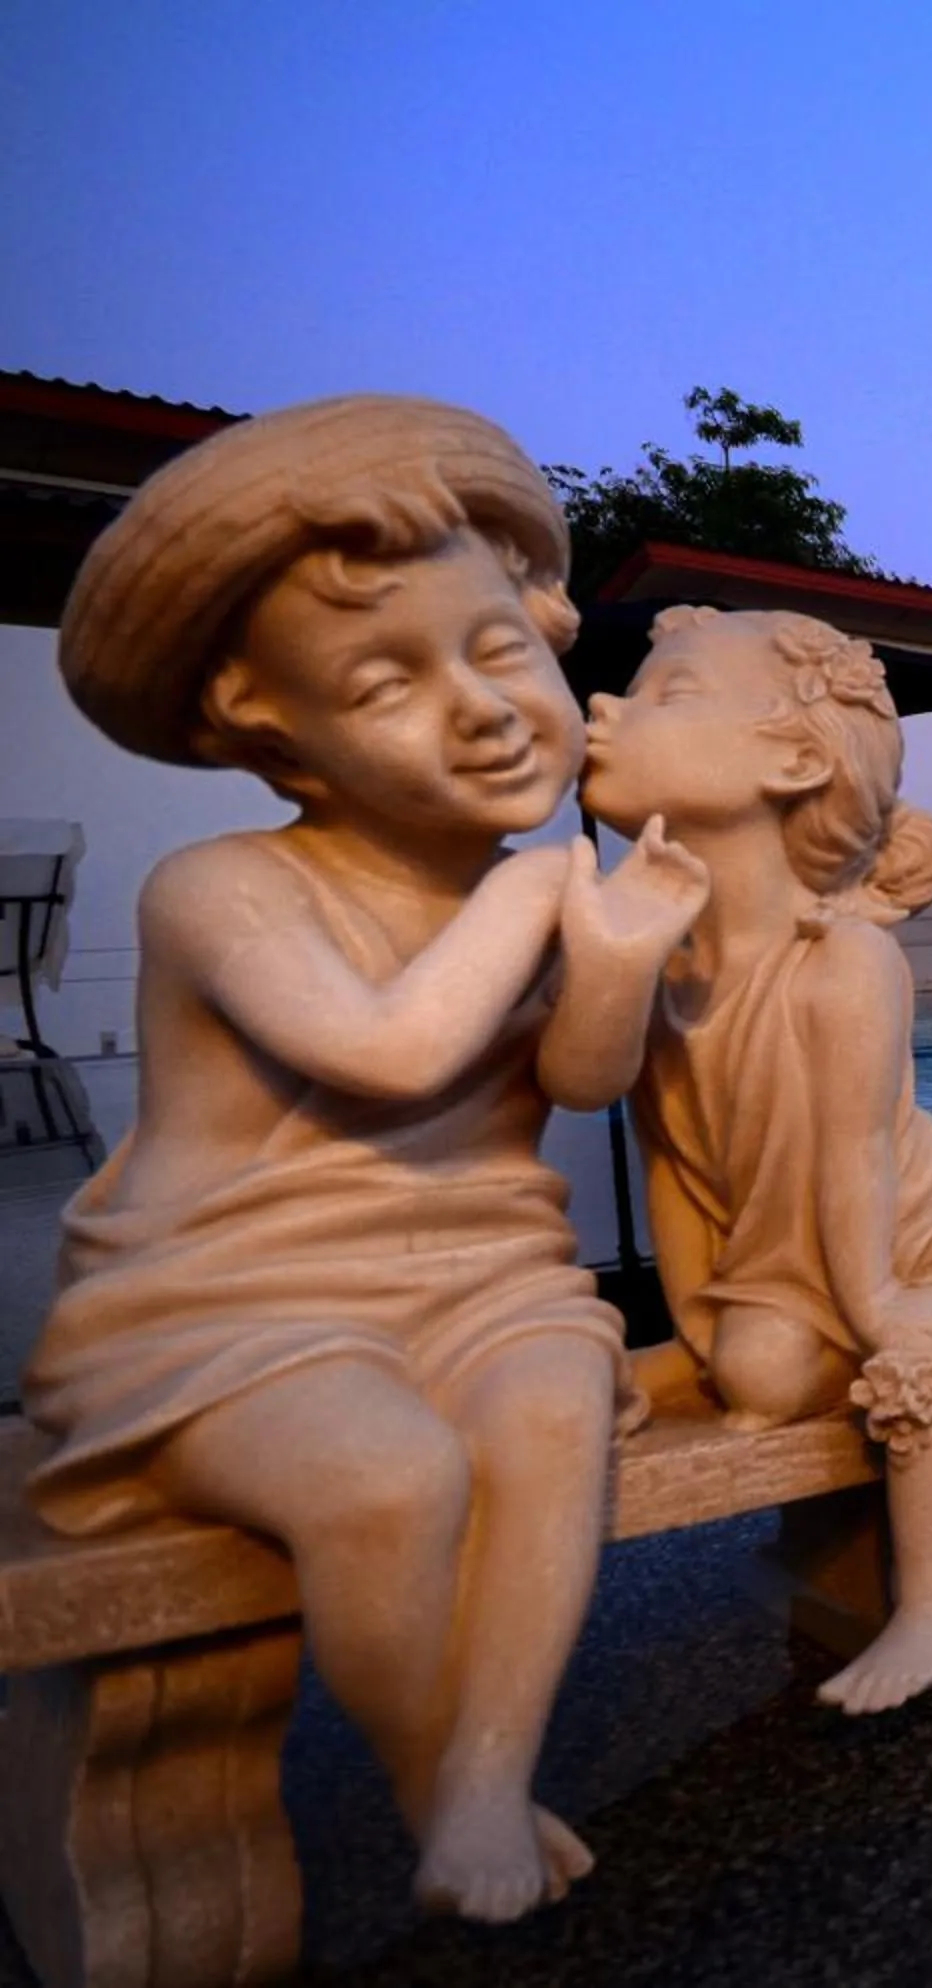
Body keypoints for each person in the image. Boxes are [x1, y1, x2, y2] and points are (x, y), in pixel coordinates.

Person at [21, 395, 707, 1923]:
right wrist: (536, 903)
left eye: (498, 649)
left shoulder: (535, 892)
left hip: (484, 1273)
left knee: (553, 1417)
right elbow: (390, 1053)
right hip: (228, 1309)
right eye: (387, 681)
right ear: (271, 730)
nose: (481, 708)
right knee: (388, 1477)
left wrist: (616, 960)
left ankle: (486, 1779)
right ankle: (431, 1785)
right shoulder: (220, 888)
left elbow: (580, 1080)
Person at [580, 603, 932, 1716]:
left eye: (668, 693)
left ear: (793, 763)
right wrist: (697, 1329)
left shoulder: (846, 965)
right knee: (750, 1371)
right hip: (778, 1260)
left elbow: (855, 1164)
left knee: (916, 1361)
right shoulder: (659, 969)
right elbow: (672, 1173)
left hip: (921, 1232)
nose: (603, 705)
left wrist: (884, 1310)